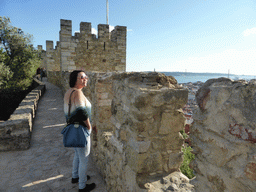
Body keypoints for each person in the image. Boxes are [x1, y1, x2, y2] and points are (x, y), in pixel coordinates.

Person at [63, 70, 96, 192]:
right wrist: (89, 126)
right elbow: (82, 112)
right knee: (84, 158)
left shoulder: (69, 92)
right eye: (82, 77)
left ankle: (75, 176)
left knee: (77, 154)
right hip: (81, 129)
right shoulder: (78, 93)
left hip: (73, 128)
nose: (85, 78)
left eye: (86, 76)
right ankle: (82, 186)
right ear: (75, 79)